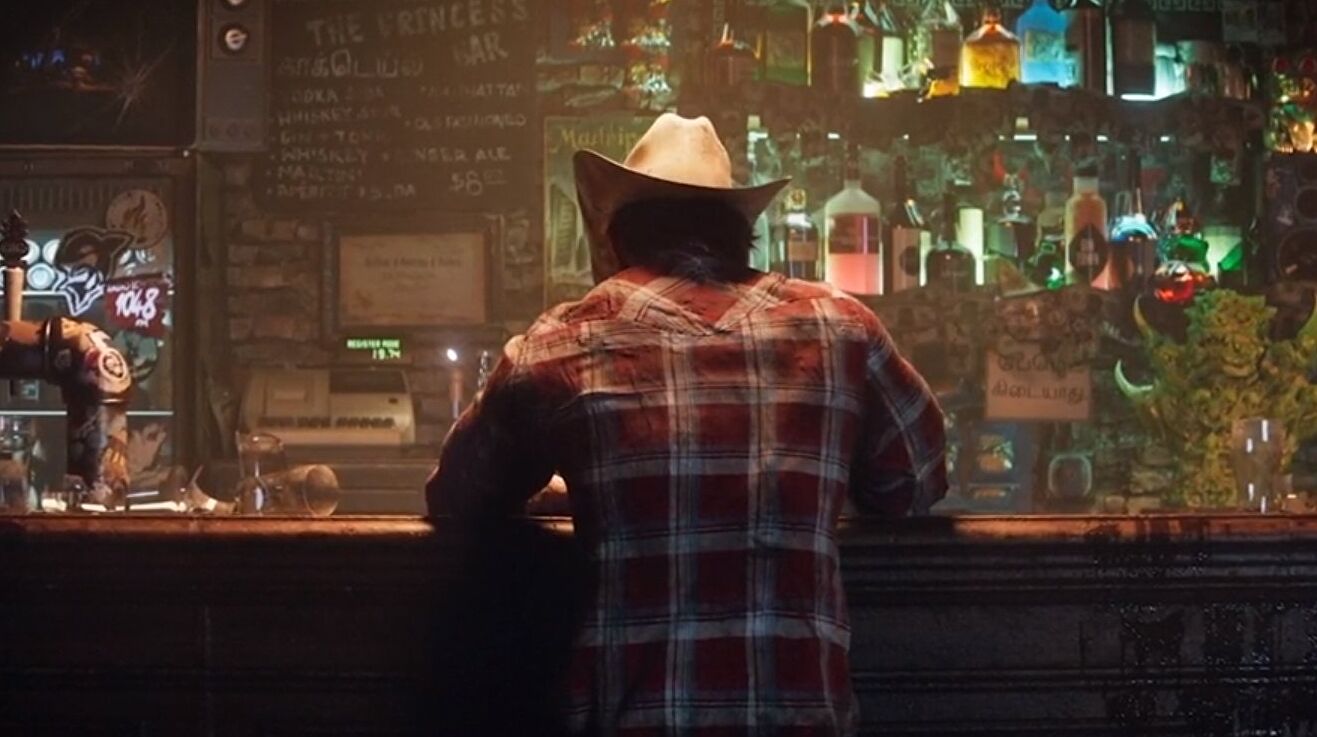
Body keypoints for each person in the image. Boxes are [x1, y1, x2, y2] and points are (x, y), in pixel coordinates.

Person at [427, 113, 948, 736]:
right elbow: (913, 482)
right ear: (741, 234)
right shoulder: (841, 328)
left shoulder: (560, 343)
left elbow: (458, 494)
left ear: (616, 237)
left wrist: (575, 487)